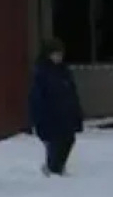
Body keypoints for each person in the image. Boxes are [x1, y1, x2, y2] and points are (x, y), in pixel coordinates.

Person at [28, 37, 84, 175]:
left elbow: (72, 92)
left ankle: (57, 168)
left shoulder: (64, 71)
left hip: (66, 114)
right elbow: (37, 97)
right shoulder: (42, 72)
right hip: (50, 116)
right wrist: (39, 119)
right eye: (55, 54)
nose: (59, 57)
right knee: (54, 144)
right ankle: (52, 171)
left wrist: (77, 113)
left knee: (68, 140)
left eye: (60, 54)